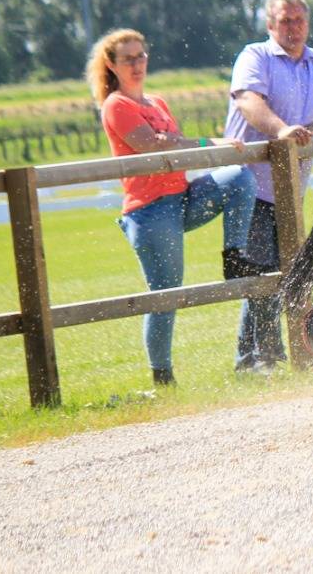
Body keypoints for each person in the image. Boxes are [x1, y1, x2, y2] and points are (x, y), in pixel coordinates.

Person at [89, 29, 258, 389]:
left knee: (238, 177)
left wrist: (214, 143)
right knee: (167, 294)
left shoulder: (157, 102)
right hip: (149, 211)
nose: (137, 64)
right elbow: (150, 147)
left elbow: (177, 145)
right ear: (112, 65)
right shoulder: (116, 104)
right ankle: (163, 378)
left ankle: (234, 255)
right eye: (128, 59)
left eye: (141, 55)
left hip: (181, 198)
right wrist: (174, 143)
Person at [225, 0, 313, 373]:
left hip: (291, 191)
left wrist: (303, 133)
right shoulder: (255, 56)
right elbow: (249, 102)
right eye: (285, 21)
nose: (293, 28)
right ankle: (256, 357)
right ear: (270, 25)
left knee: (289, 271)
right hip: (251, 186)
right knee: (262, 273)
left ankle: (277, 353)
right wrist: (282, 130)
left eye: (299, 20)